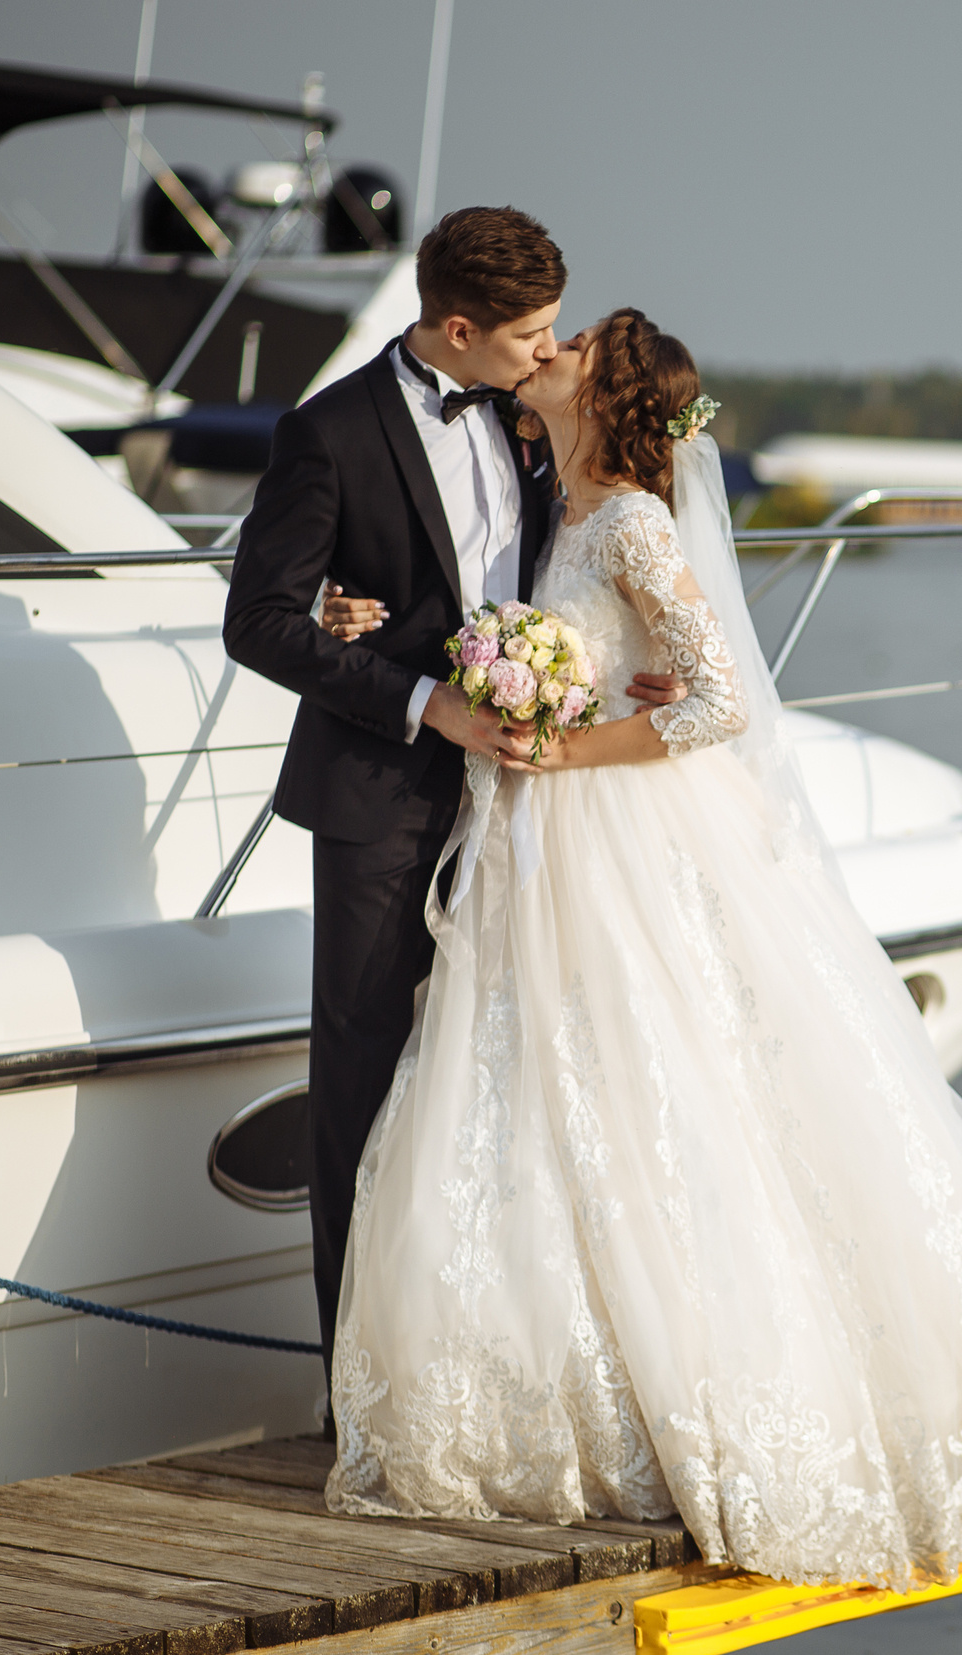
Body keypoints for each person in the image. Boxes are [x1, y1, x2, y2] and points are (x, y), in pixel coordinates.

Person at [318, 307, 962, 1588]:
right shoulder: (549, 502)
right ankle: (565, 1389)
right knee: (538, 1097)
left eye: (568, 349)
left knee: (648, 1084)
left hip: (606, 830)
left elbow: (721, 698)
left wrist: (568, 745)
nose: (546, 356)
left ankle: (709, 1382)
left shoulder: (627, 520)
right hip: (538, 839)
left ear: (606, 391)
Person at [222, 208, 682, 1380]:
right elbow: (259, 623)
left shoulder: (534, 425)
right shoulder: (326, 434)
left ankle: (500, 1364)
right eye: (526, 333)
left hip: (530, 805)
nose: (547, 349)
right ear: (459, 326)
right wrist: (419, 694)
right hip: (381, 793)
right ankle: (361, 1387)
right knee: (366, 1080)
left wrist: (631, 665)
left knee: (513, 1078)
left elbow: (573, 566)